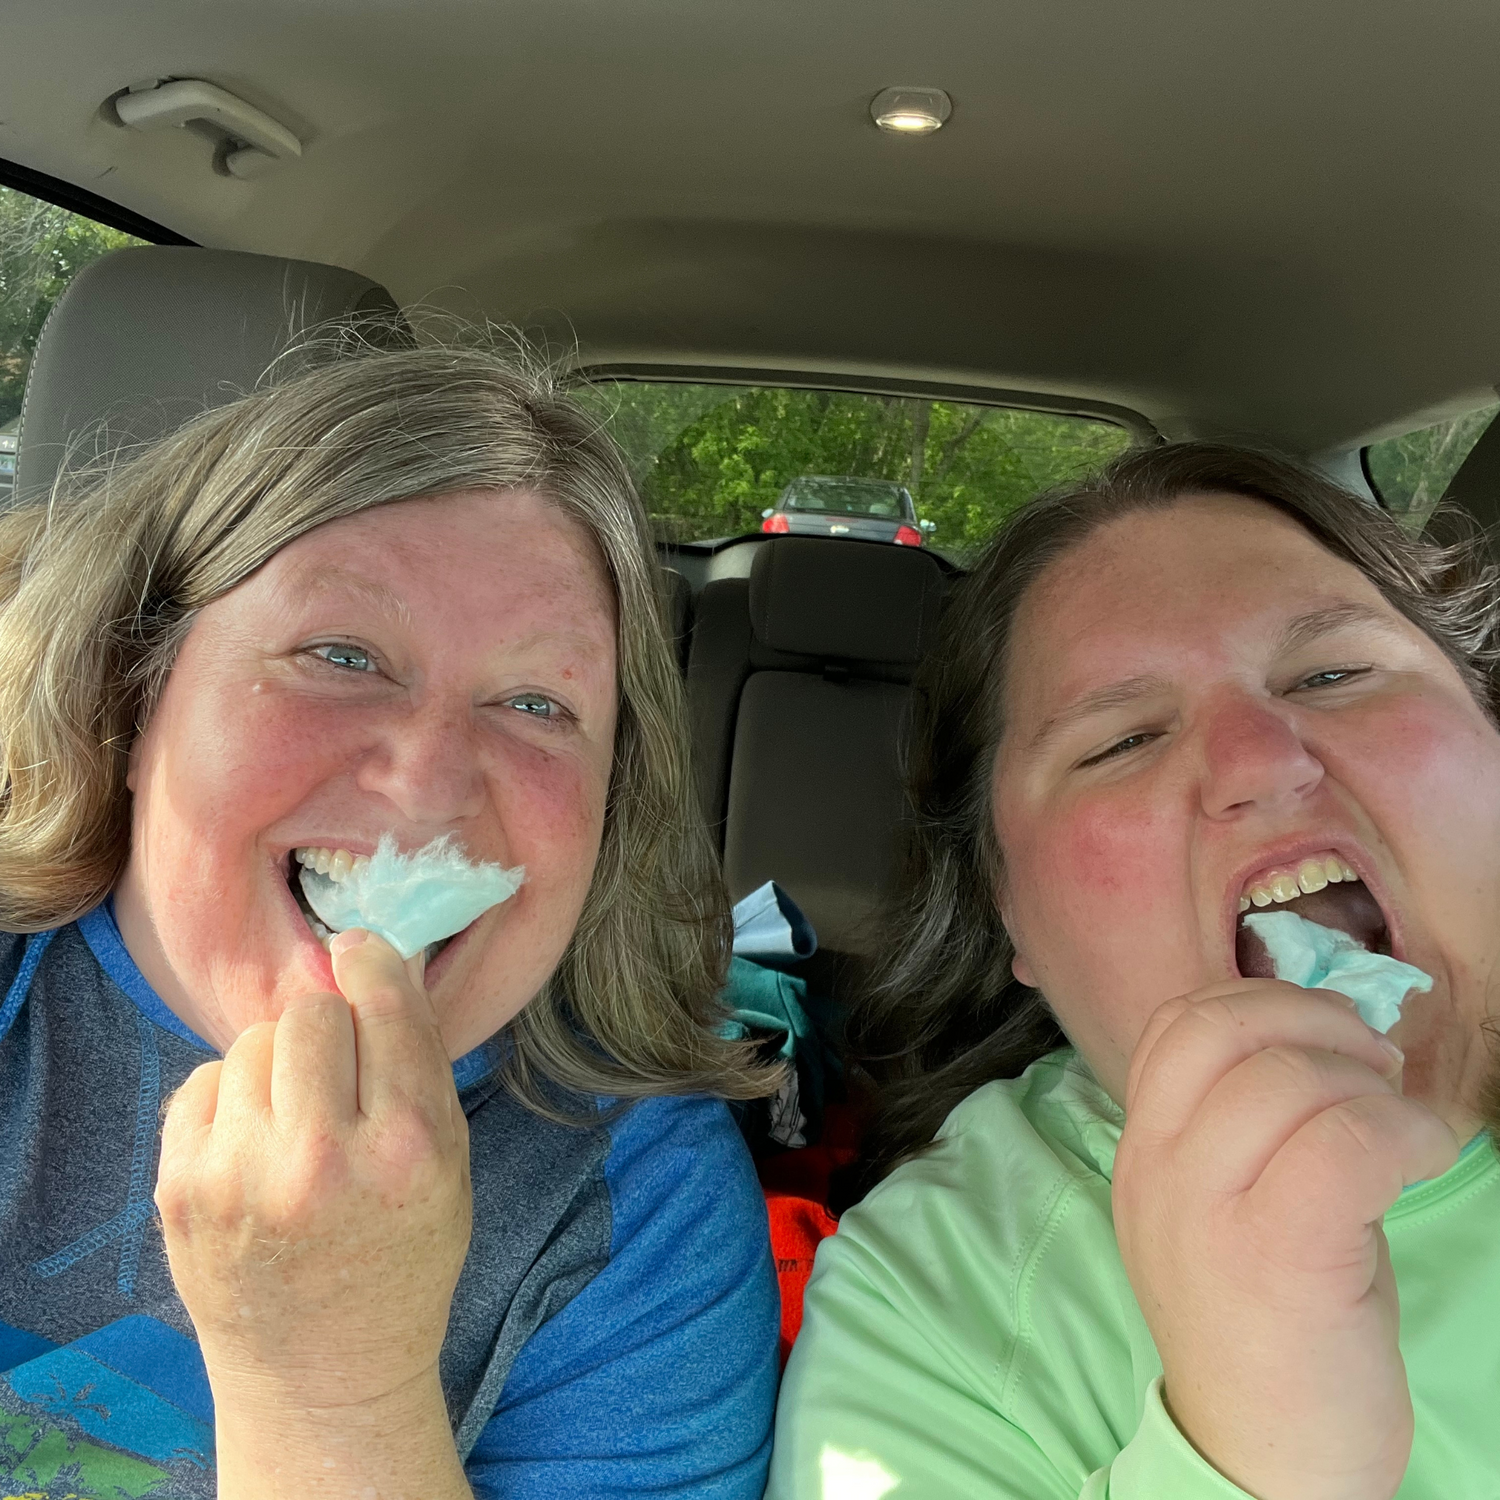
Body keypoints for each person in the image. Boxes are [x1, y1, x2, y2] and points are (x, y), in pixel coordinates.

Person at [0, 342, 779, 1499]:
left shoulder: (647, 1214)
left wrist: (334, 1396)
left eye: (536, 703)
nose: (428, 785)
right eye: (342, 655)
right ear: (131, 692)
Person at [767, 443, 1500, 1500]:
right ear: (1008, 905)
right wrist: (1256, 1455)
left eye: (1332, 674)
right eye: (1123, 740)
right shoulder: (932, 1307)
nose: (1260, 760)